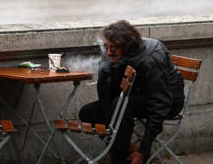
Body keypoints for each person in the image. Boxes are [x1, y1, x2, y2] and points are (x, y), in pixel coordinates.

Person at [79, 20, 185, 164]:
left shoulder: (150, 58)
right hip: (137, 95)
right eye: (106, 46)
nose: (108, 52)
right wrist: (109, 131)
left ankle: (123, 158)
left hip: (168, 101)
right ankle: (125, 150)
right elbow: (105, 93)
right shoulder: (117, 55)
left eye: (113, 48)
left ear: (127, 47)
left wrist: (144, 150)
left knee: (120, 104)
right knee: (88, 112)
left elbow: (160, 103)